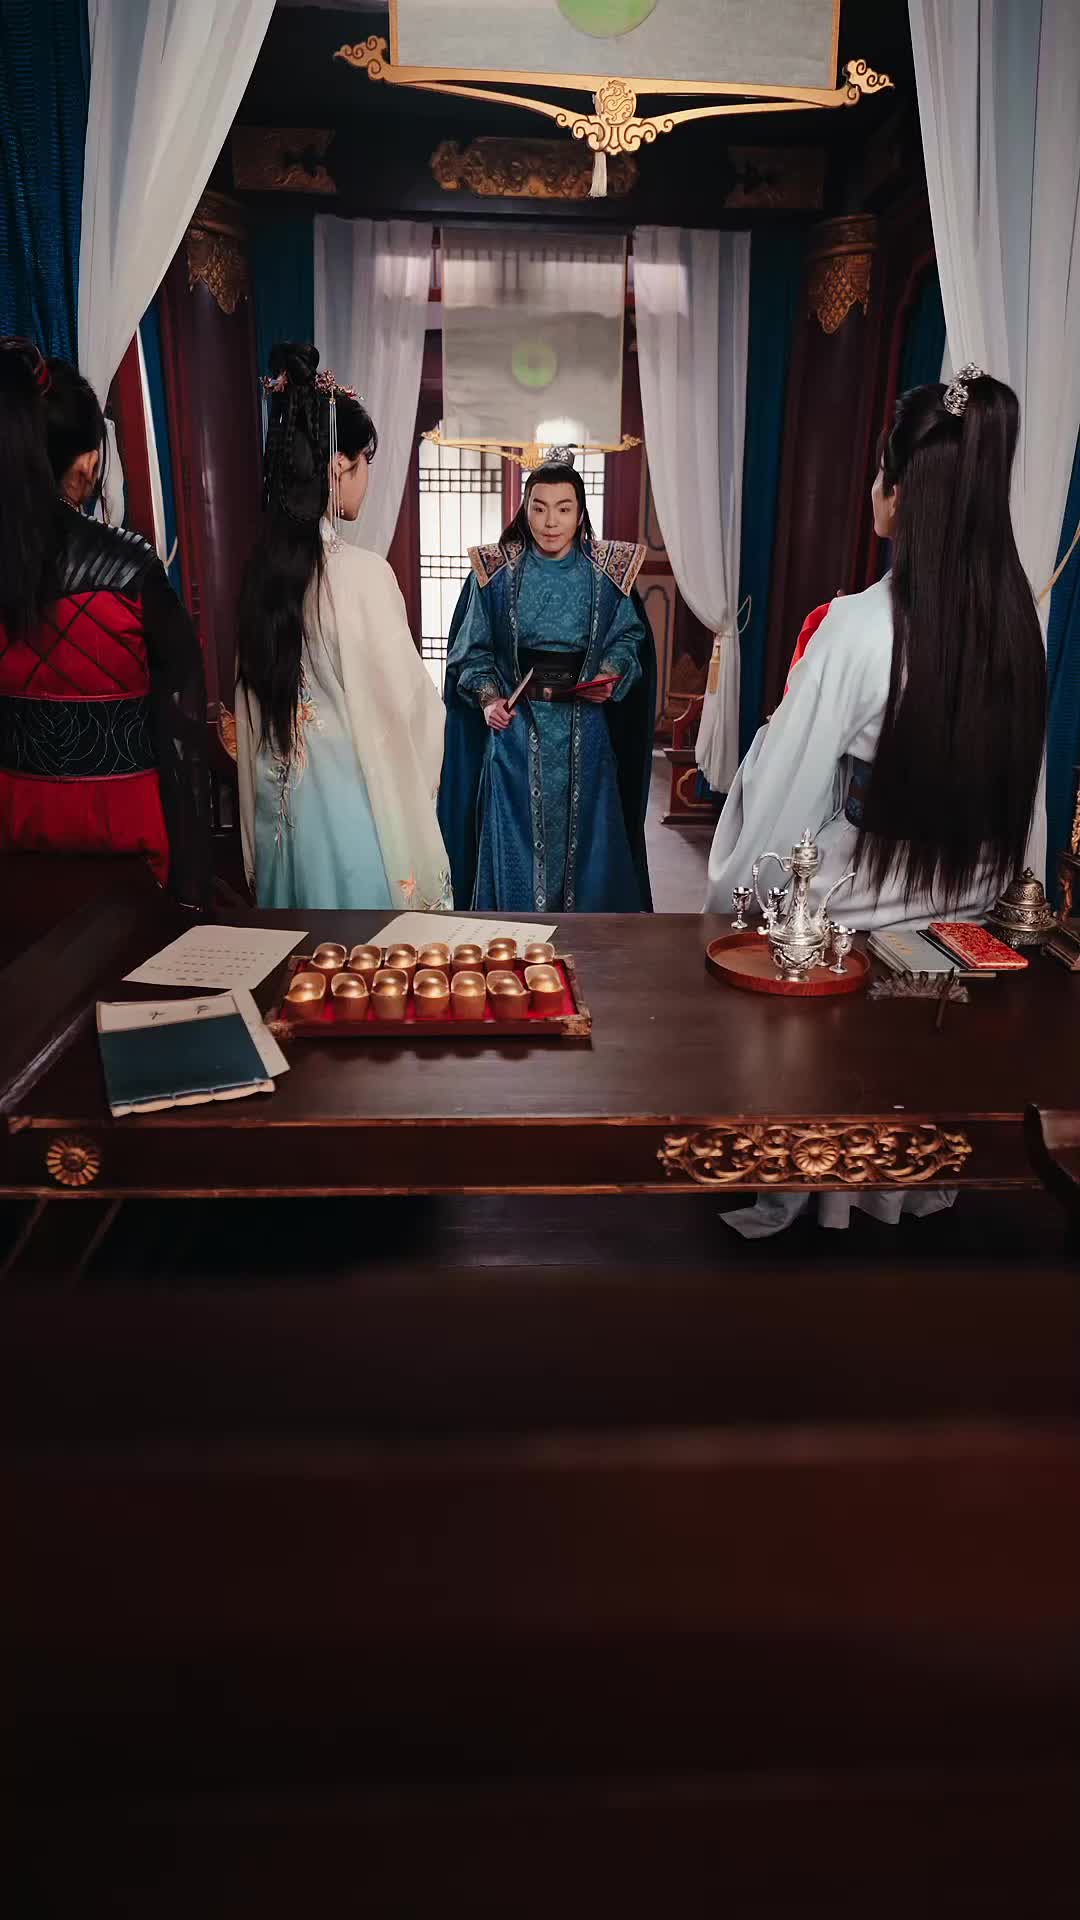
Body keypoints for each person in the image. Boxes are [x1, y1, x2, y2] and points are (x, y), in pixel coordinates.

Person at [705, 368, 1046, 1235]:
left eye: (878, 473)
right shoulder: (1018, 625)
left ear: (899, 493)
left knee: (776, 924)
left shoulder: (859, 627)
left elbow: (781, 799)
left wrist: (734, 886)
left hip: (861, 917)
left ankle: (810, 1189)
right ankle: (906, 1184)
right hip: (964, 914)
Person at [235, 342, 449, 912]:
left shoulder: (261, 577)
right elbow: (407, 711)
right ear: (337, 467)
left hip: (284, 824)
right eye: (364, 463)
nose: (366, 478)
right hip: (356, 827)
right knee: (360, 960)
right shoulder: (361, 576)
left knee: (298, 960)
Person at [0, 338, 210, 906]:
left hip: (14, 835)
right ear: (89, 462)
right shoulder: (129, 568)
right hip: (124, 837)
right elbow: (183, 682)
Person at [439, 450, 655, 914]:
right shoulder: (496, 574)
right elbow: (471, 651)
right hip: (517, 733)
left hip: (586, 731)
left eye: (563, 509)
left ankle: (590, 949)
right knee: (516, 853)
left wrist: (609, 673)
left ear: (580, 514)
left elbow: (629, 636)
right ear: (525, 509)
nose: (550, 521)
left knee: (589, 852)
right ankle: (512, 942)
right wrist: (488, 700)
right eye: (538, 508)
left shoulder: (607, 573)